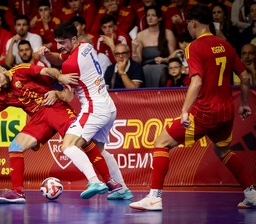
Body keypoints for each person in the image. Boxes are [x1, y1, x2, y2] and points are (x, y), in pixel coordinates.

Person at [129, 4, 256, 211]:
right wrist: (243, 103)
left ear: (192, 23)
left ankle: (154, 198)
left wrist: (184, 110)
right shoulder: (225, 44)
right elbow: (244, 76)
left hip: (205, 111)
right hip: (226, 112)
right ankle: (251, 194)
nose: (187, 26)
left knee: (161, 142)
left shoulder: (194, 47)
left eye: (188, 23)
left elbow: (196, 82)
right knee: (223, 150)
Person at [0, 62, 123, 203]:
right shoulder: (1, 95)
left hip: (55, 107)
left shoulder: (21, 70)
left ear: (4, 71)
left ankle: (109, 182)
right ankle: (18, 192)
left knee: (82, 141)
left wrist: (60, 77)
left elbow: (47, 70)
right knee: (15, 147)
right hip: (38, 118)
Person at [40, 21, 133, 200]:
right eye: (57, 42)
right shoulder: (86, 46)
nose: (59, 46)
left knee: (68, 145)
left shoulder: (70, 67)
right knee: (100, 151)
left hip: (94, 109)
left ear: (73, 39)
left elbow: (67, 97)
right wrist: (48, 54)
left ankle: (94, 181)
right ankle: (122, 189)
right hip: (108, 107)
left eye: (63, 42)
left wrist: (55, 92)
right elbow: (60, 57)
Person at [132, 5, 176, 87]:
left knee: (161, 70)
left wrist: (164, 60)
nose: (150, 18)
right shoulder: (140, 35)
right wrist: (134, 49)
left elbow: (173, 57)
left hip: (163, 66)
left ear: (159, 18)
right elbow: (137, 61)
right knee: (144, 70)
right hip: (145, 68)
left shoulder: (168, 33)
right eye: (148, 15)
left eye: (153, 15)